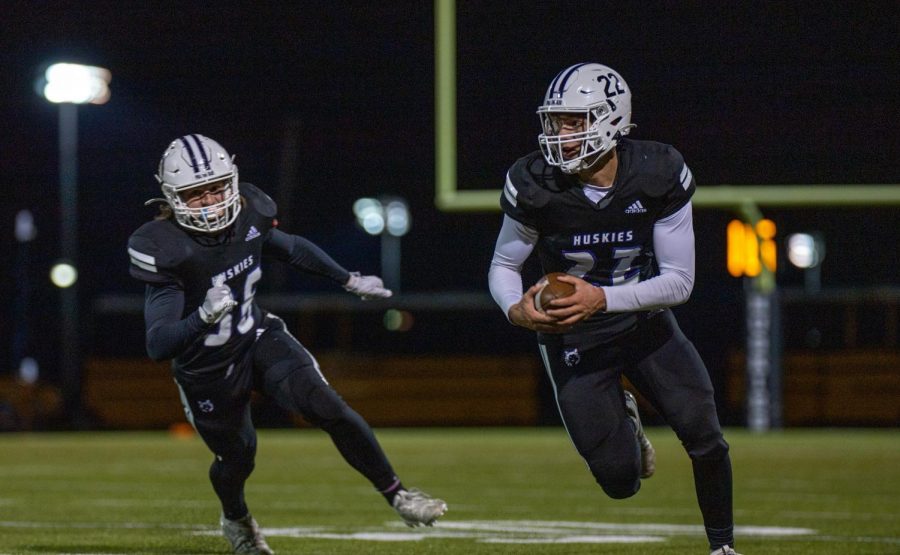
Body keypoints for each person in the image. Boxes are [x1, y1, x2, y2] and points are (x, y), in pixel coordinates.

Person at [127, 134, 447, 554]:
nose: (210, 201)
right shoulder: (164, 247)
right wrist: (201, 317)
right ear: (173, 197)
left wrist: (347, 279)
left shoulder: (251, 211)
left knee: (329, 406)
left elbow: (290, 248)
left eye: (217, 188)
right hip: (205, 369)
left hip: (257, 337)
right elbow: (158, 344)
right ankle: (236, 518)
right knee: (238, 458)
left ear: (233, 181)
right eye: (195, 194)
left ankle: (399, 496)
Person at [488, 63, 740, 555]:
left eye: (574, 121)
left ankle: (723, 547)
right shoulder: (535, 181)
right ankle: (625, 418)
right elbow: (503, 263)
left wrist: (603, 298)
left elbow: (680, 281)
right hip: (575, 338)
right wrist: (513, 309)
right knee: (620, 480)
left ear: (611, 118)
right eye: (555, 121)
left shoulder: (657, 171)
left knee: (705, 435)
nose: (560, 134)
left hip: (644, 322)